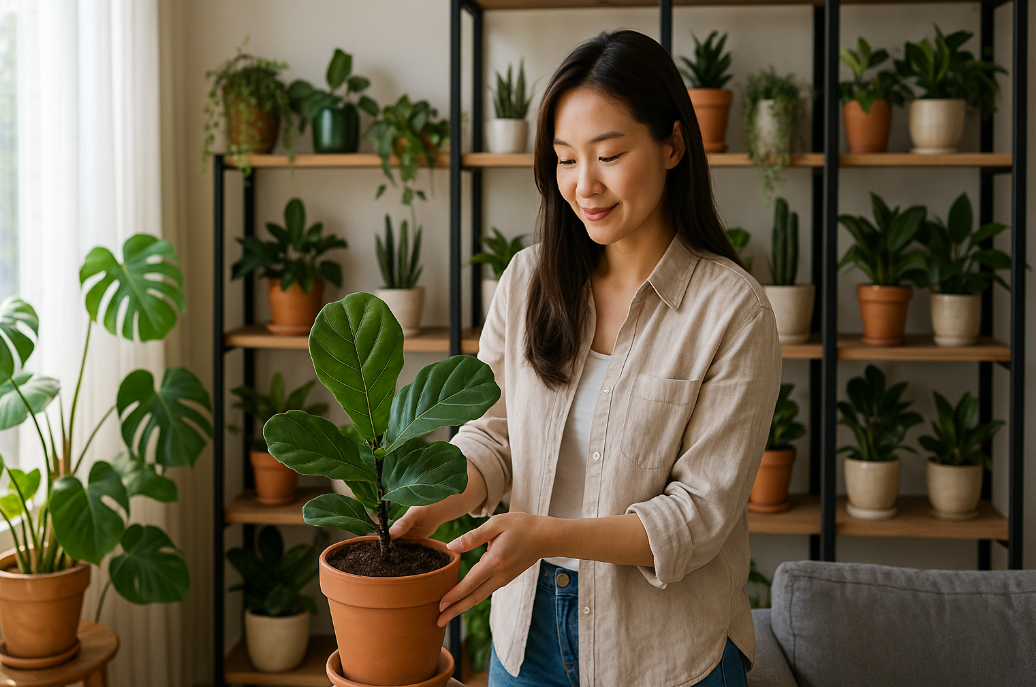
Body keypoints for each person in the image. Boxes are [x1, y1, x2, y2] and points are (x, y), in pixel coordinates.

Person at [389, 29, 781, 687]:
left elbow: (698, 516)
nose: (583, 185)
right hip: (528, 634)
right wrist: (438, 499)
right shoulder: (527, 280)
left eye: (609, 155)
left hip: (665, 648)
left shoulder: (731, 310)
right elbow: (494, 435)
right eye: (565, 159)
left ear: (673, 145)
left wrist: (548, 535)